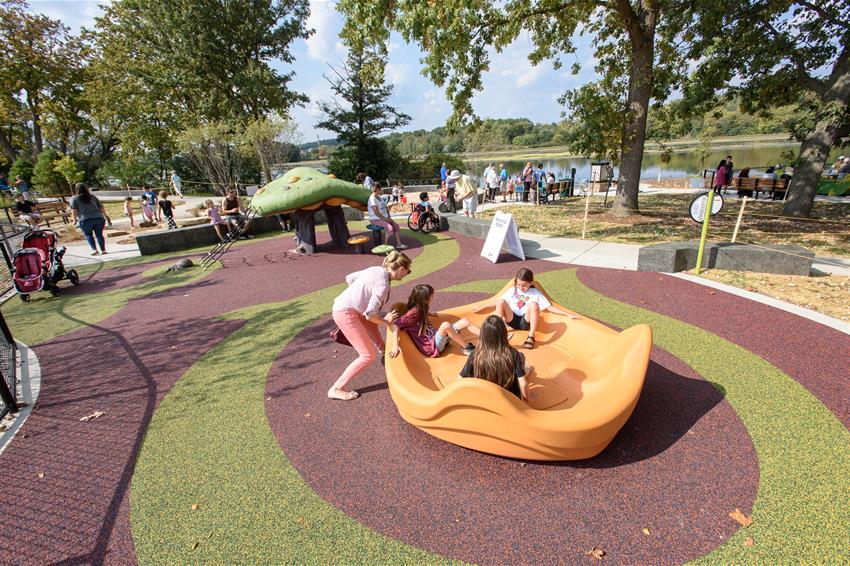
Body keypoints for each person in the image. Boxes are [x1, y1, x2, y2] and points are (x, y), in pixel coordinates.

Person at [329, 251, 413, 400]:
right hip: (346, 313)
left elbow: (349, 278)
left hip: (348, 308)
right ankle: (336, 388)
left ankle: (384, 352)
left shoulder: (376, 269)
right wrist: (386, 320)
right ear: (401, 269)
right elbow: (370, 315)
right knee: (367, 355)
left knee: (372, 325)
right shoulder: (383, 286)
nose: (408, 273)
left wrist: (359, 298)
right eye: (408, 271)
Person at [472, 268, 580, 350]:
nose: (520, 288)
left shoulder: (535, 293)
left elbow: (549, 307)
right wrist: (482, 307)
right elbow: (497, 302)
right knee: (501, 301)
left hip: (525, 322)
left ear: (530, 283)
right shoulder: (512, 290)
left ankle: (531, 336)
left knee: (533, 304)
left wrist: (567, 314)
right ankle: (499, 332)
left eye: (523, 286)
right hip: (511, 320)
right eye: (518, 285)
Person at [387, 284, 480, 359]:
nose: (433, 297)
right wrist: (395, 345)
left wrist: (429, 314)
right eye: (432, 296)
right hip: (432, 346)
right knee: (446, 325)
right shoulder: (413, 312)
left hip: (439, 339)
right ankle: (467, 348)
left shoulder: (422, 307)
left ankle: (489, 338)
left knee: (465, 321)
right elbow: (396, 325)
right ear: (425, 299)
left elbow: (422, 313)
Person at [458, 315, 532, 400]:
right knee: (521, 357)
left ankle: (523, 371)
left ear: (483, 335)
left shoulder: (475, 355)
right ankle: (523, 371)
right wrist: (527, 401)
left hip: (487, 399)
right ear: (504, 333)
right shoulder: (513, 353)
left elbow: (460, 380)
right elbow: (523, 384)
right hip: (509, 400)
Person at [70, 183, 109, 256]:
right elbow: (101, 207)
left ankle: (94, 250)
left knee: (88, 235)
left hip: (85, 219)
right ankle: (103, 250)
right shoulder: (92, 197)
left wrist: (74, 220)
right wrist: (106, 215)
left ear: (76, 189)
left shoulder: (74, 198)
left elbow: (74, 210)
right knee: (99, 235)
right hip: (98, 218)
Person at [368, 183, 407, 249]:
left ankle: (399, 244)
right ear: (377, 189)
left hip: (385, 218)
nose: (382, 190)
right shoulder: (372, 198)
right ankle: (385, 246)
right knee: (390, 228)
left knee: (396, 226)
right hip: (375, 219)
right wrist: (385, 219)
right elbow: (375, 212)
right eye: (381, 189)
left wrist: (389, 217)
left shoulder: (380, 197)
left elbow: (386, 208)